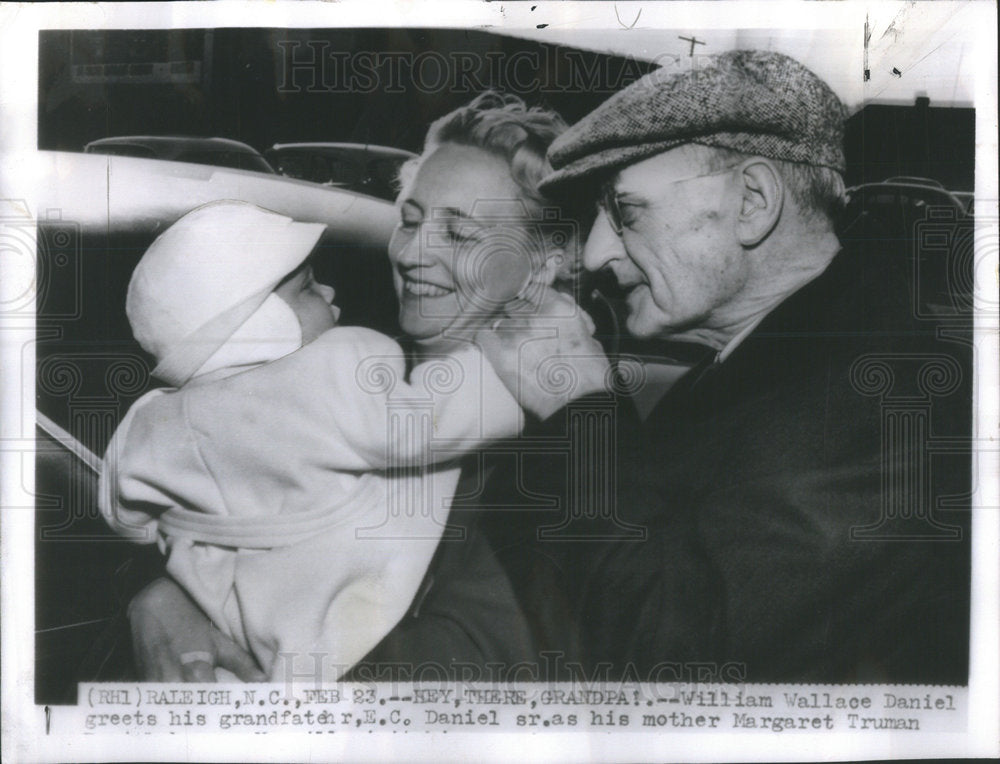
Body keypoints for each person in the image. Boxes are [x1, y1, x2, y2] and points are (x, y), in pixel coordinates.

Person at [496, 48, 969, 684]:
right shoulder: (783, 354)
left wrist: (582, 415)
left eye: (626, 212)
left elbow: (687, 675)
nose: (597, 253)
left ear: (752, 202)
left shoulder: (886, 398)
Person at [122, 93, 611, 681]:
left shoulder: (560, 447)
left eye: (459, 234)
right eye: (411, 220)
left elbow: (477, 672)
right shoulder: (332, 368)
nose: (413, 253)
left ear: (544, 265)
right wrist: (160, 595)